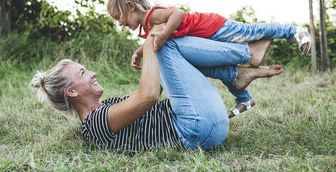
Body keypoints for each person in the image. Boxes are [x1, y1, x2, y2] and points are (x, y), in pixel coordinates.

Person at [31, 25, 282, 151]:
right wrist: (151, 39)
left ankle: (236, 74)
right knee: (167, 44)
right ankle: (245, 55)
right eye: (83, 73)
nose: (93, 73)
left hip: (202, 123)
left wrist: (152, 44)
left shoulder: (106, 107)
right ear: (71, 92)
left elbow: (158, 85)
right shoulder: (94, 123)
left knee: (168, 44)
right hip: (194, 129)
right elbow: (148, 95)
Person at [106, 0, 311, 118]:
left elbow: (178, 14)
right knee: (221, 67)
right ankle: (244, 98)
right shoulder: (149, 24)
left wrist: (165, 32)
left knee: (250, 31)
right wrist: (139, 51)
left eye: (119, 17)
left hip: (213, 27)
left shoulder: (152, 16)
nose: (120, 23)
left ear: (131, 5)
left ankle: (293, 30)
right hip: (207, 37)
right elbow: (155, 37)